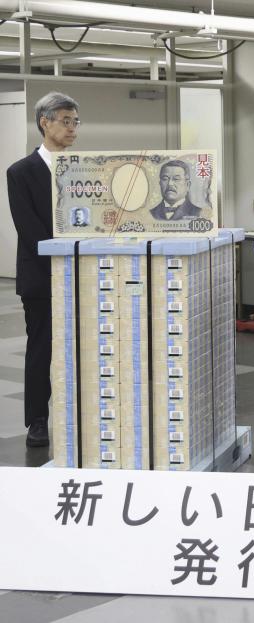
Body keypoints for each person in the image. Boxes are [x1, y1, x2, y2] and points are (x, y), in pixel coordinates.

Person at [7, 91, 80, 448]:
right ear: (44, 123)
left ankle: (83, 413)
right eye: (65, 121)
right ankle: (37, 420)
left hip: (83, 273)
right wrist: (65, 254)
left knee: (83, 347)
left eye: (75, 122)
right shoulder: (20, 172)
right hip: (41, 277)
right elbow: (29, 228)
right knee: (41, 349)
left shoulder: (83, 168)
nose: (72, 129)